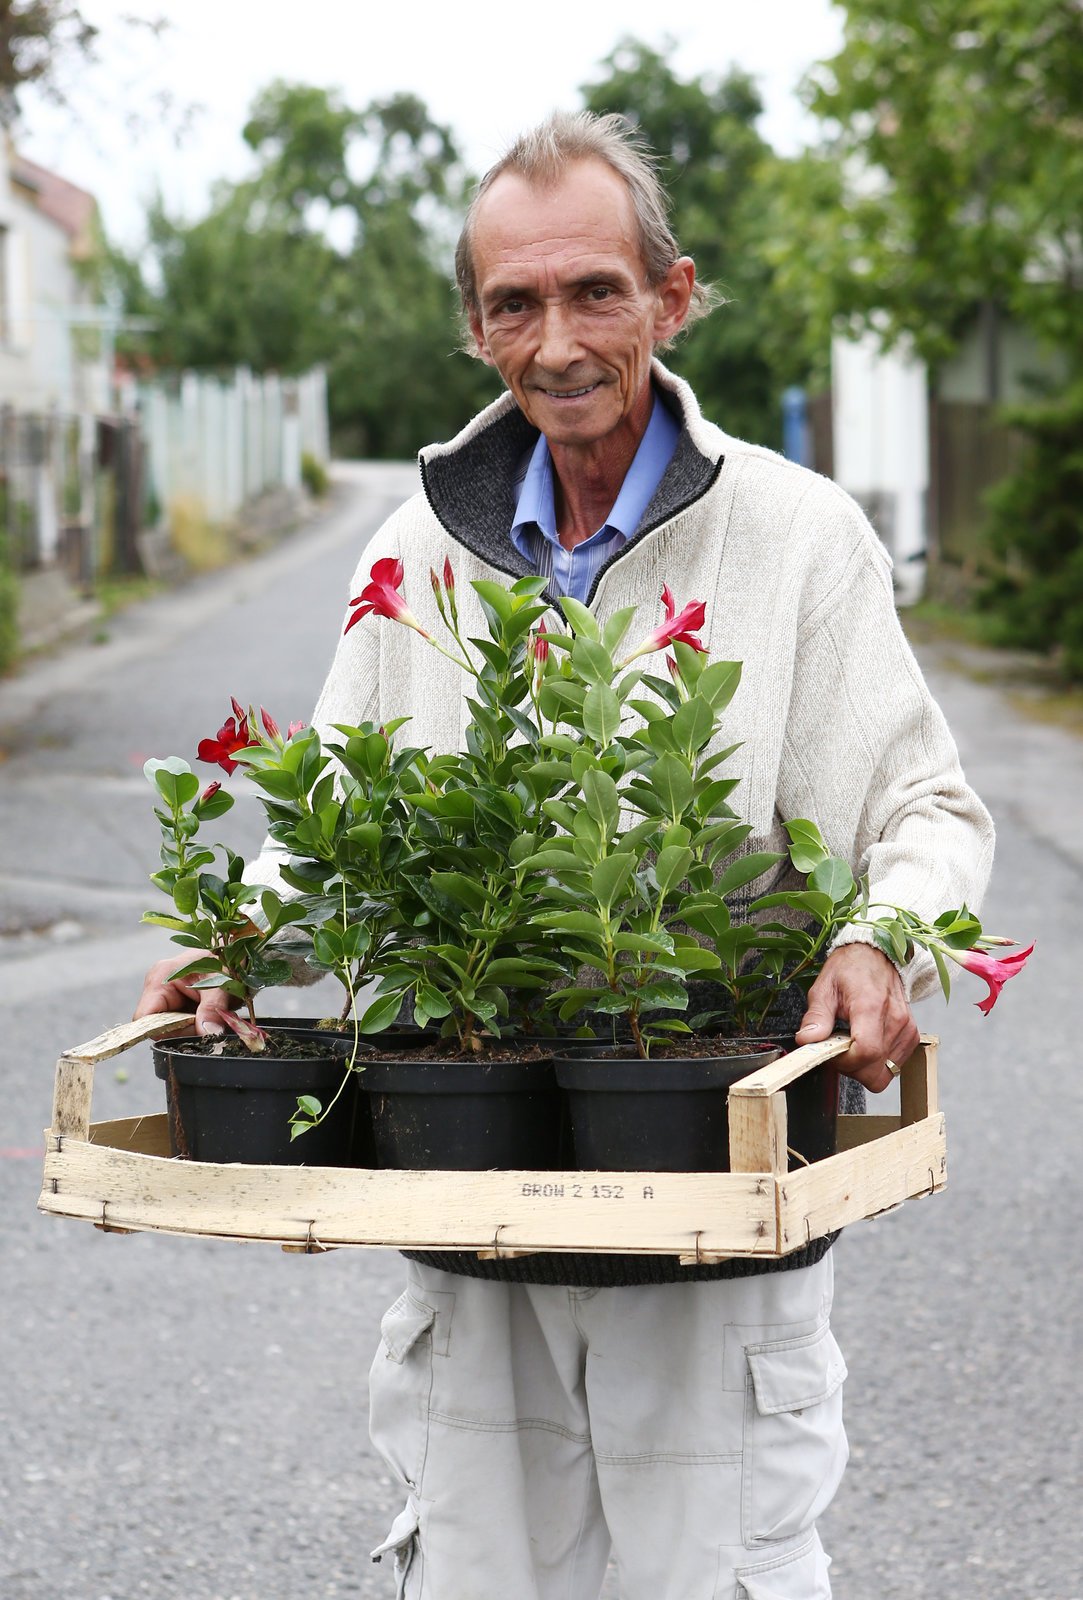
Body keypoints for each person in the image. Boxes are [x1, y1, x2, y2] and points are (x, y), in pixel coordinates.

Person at [136, 112, 994, 1599]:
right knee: (470, 1576)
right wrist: (235, 938)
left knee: (715, 1574)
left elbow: (926, 810)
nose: (559, 340)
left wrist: (882, 938)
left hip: (714, 1207)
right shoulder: (418, 545)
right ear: (476, 329)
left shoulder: (798, 536)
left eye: (597, 291)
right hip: (470, 1214)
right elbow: (338, 828)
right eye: (516, 303)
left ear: (672, 295)